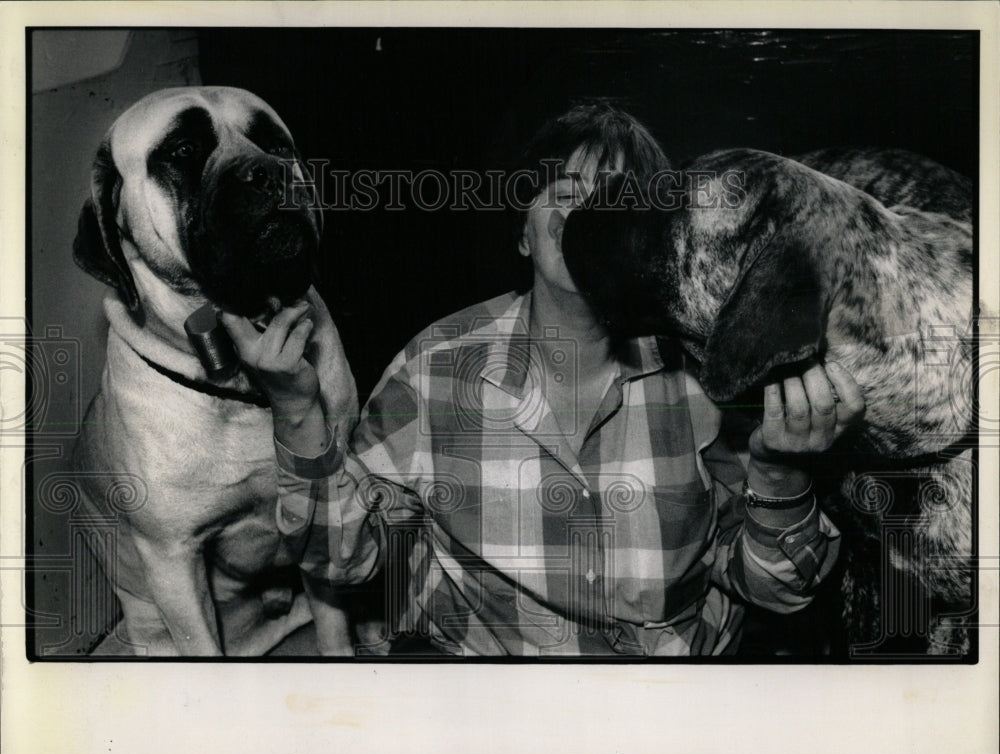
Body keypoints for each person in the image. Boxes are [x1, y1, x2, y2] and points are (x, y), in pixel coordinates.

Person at [221, 103, 865, 656]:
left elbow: (776, 589)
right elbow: (342, 557)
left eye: (615, 194)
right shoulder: (435, 370)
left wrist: (782, 478)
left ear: (650, 241)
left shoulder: (709, 376)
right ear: (523, 235)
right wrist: (297, 407)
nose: (585, 210)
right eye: (561, 187)